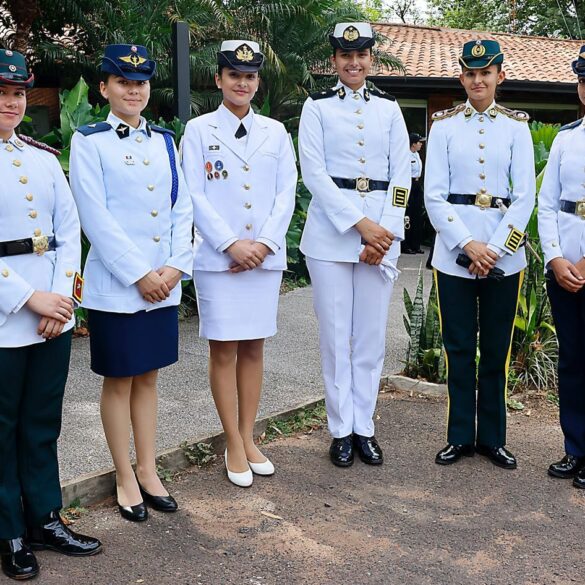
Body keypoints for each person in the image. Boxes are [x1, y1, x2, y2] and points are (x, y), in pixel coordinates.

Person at [69, 44, 193, 520]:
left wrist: (176, 266)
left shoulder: (164, 140)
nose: (133, 90)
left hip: (163, 281)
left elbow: (182, 208)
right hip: (120, 286)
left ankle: (148, 468)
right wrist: (140, 274)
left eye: (140, 83)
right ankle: (124, 473)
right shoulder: (89, 141)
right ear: (105, 88)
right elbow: (94, 217)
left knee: (149, 378)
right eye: (123, 82)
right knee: (120, 380)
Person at [0, 48, 101, 581]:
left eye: (17, 93)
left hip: (51, 317)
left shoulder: (40, 157)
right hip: (5, 317)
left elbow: (69, 231)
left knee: (42, 424)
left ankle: (43, 517)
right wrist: (27, 298)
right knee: (2, 428)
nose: (11, 102)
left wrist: (62, 299)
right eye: (1, 92)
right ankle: (7, 530)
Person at [181, 40, 297, 487]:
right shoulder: (198, 130)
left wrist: (264, 244)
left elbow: (286, 192)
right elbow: (193, 194)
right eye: (234, 75)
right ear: (219, 80)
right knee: (224, 349)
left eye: (249, 76)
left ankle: (249, 437)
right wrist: (232, 244)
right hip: (219, 260)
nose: (242, 83)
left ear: (257, 82)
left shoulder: (275, 132)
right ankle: (232, 440)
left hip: (263, 260)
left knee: (253, 348)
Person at [299, 23, 411, 467]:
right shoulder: (317, 107)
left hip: (380, 239)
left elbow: (401, 174)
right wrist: (361, 226)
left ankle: (365, 426)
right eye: (345, 56)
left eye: (361, 55)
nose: (354, 62)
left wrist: (383, 231)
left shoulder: (389, 108)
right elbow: (315, 175)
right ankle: (340, 429)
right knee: (334, 337)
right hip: (331, 237)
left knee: (369, 338)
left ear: (372, 59)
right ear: (334, 61)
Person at [425, 40, 535, 469]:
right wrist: (466, 244)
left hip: (503, 259)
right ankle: (458, 437)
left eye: (485, 73)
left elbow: (524, 197)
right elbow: (433, 196)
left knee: (495, 350)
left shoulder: (516, 129)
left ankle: (492, 438)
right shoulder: (445, 127)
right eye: (470, 73)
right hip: (454, 255)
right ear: (462, 78)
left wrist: (494, 249)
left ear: (499, 76)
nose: (477, 80)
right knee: (457, 348)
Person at [538, 45, 585, 487]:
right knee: (571, 359)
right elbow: (547, 203)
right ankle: (575, 448)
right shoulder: (567, 139)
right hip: (565, 268)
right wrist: (555, 257)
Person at [403, 132, 425, 254]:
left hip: (417, 184)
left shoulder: (417, 155)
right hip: (409, 183)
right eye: (419, 142)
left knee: (417, 216)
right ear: (413, 144)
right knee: (408, 216)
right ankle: (406, 245)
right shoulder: (406, 155)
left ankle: (415, 245)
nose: (420, 144)